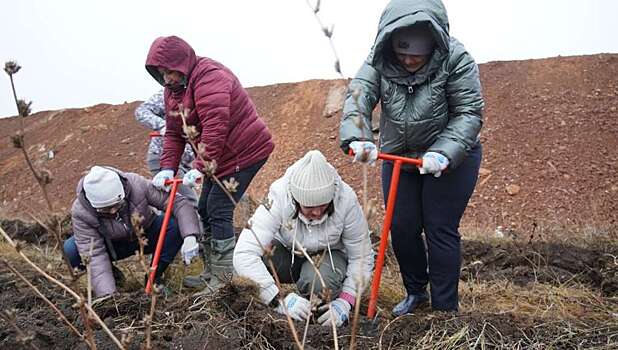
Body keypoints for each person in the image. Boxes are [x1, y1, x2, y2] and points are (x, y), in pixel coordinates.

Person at [339, 0, 483, 314]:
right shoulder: (379, 58)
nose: (407, 60)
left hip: (450, 157)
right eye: (402, 53)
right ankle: (416, 292)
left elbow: (469, 113)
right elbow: (358, 97)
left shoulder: (456, 59)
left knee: (439, 227)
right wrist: (358, 138)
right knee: (402, 226)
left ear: (433, 45)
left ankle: (445, 309)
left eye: (416, 55)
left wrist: (443, 153)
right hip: (399, 155)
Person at [145, 36, 274, 294]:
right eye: (162, 74)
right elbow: (173, 133)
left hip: (245, 152)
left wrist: (199, 166)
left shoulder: (210, 78)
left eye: (170, 71)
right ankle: (211, 272)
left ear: (181, 64)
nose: (167, 78)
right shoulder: (174, 90)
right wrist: (167, 167)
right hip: (219, 158)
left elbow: (216, 128)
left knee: (218, 207)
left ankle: (225, 279)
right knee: (203, 207)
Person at [233, 150, 374, 327]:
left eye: (323, 206)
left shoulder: (346, 200)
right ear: (295, 200)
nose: (316, 212)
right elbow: (244, 253)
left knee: (319, 283)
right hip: (288, 255)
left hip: (328, 260)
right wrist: (277, 298)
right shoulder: (279, 196)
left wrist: (345, 302)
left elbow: (362, 256)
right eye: (309, 207)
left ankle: (320, 314)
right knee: (258, 258)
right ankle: (267, 308)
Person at [63, 166, 201, 297]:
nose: (113, 211)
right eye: (105, 209)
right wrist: (110, 298)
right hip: (112, 247)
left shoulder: (135, 184)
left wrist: (190, 235)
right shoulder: (81, 211)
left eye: (117, 205)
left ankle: (155, 277)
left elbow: (178, 203)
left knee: (174, 225)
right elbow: (93, 255)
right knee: (71, 250)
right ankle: (115, 281)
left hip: (145, 235)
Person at [134, 89, 198, 205]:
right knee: (189, 202)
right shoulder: (171, 94)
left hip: (186, 162)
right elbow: (142, 112)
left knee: (177, 203)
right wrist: (164, 126)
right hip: (164, 158)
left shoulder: (202, 95)